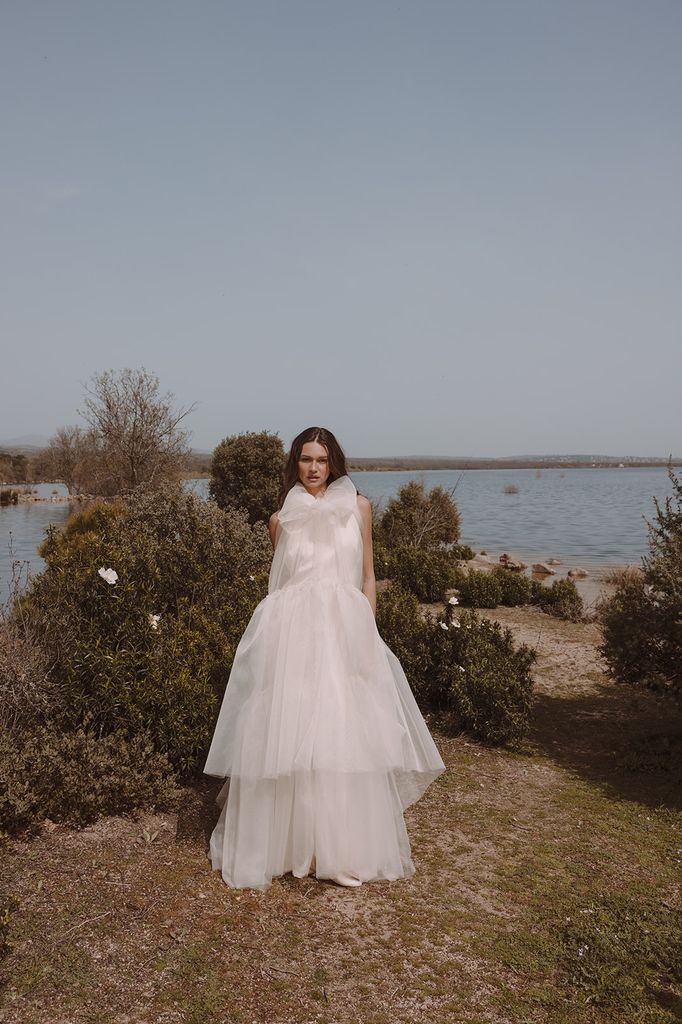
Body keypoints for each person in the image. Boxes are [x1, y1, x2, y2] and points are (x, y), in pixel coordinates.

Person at [203, 426, 446, 890]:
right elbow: (284, 586)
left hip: (344, 630)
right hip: (292, 634)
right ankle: (291, 845)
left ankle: (339, 850)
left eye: (321, 459)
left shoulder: (359, 508)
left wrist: (368, 633)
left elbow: (368, 576)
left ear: (333, 462)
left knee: (340, 733)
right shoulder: (280, 519)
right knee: (289, 735)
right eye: (304, 460)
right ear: (295, 464)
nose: (313, 468)